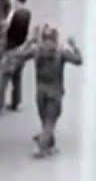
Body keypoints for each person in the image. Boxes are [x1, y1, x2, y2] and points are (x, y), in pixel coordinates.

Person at [7, 25, 82, 157]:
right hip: (55, 92)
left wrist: (30, 41)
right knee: (50, 122)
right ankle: (41, 146)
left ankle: (49, 144)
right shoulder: (61, 52)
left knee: (44, 120)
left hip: (40, 92)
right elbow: (78, 60)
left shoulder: (36, 50)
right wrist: (74, 46)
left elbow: (17, 55)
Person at [0, 0, 31, 115]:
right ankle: (16, 102)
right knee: (17, 78)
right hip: (22, 49)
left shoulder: (15, 15)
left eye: (14, 0)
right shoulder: (27, 14)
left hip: (11, 50)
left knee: (2, 79)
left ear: (17, 0)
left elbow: (6, 28)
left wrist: (6, 22)